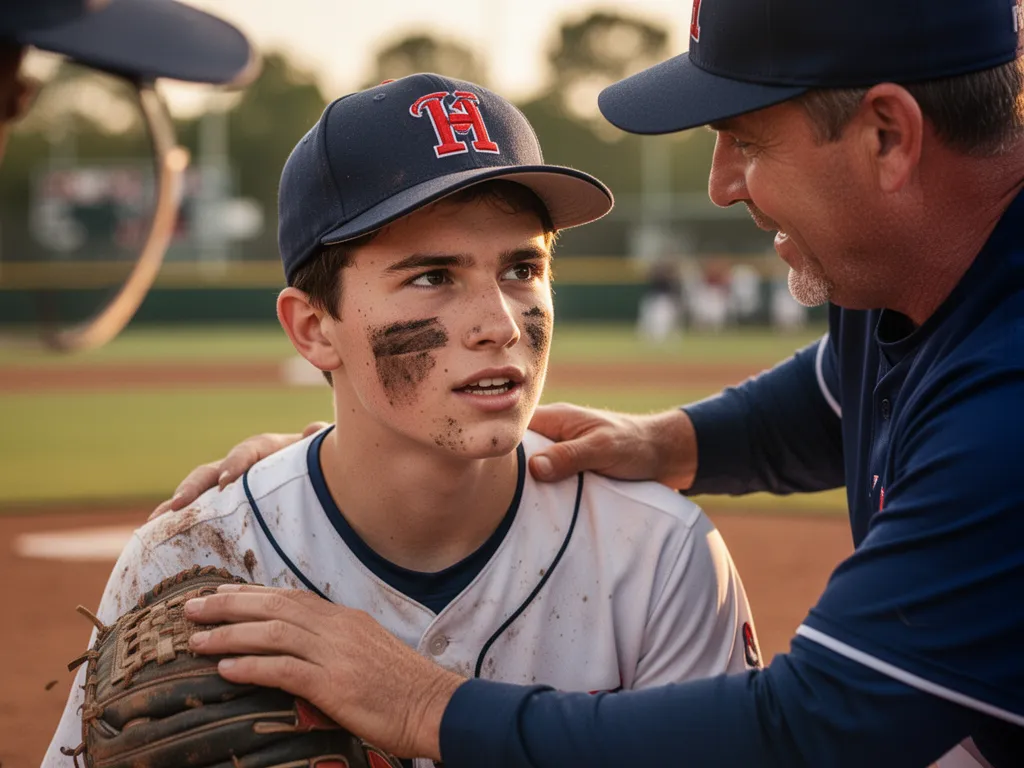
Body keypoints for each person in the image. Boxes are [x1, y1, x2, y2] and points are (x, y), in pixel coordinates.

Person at [159, 1, 1024, 766]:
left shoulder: (1006, 403)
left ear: (888, 135)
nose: (722, 184)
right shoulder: (912, 267)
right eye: (432, 275)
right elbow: (836, 398)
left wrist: (423, 704)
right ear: (315, 331)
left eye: (748, 139)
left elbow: (815, 730)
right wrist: (674, 440)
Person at [44, 74, 762, 765]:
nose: (499, 324)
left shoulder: (661, 555)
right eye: (432, 276)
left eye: (521, 269)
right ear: (314, 330)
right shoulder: (195, 560)